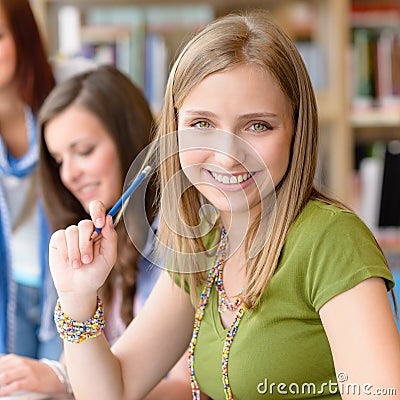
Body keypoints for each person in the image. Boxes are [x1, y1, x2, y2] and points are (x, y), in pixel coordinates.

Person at [46, 10, 400, 400]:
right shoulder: (206, 245)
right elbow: (111, 392)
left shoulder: (331, 239)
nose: (227, 156)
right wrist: (77, 298)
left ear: (297, 131)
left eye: (258, 125)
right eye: (202, 125)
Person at [0, 65, 195, 399]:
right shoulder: (100, 238)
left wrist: (65, 381)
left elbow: (188, 389)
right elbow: (74, 363)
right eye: (59, 160)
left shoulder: (181, 234)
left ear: (129, 139)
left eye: (85, 151)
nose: (69, 174)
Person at [0, 0, 58, 359]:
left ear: (23, 36)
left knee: (68, 381)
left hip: (71, 271)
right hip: (12, 284)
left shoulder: (68, 89)